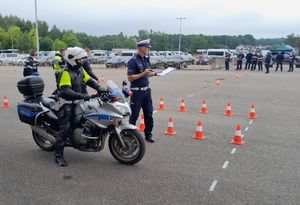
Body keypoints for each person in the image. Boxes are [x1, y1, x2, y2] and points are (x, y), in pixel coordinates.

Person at [54, 47, 107, 166]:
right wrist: (81, 95)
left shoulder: (79, 69)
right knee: (65, 129)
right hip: (66, 104)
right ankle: (58, 156)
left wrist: (100, 88)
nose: (81, 61)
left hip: (77, 101)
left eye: (82, 59)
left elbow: (89, 80)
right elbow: (65, 91)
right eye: (79, 60)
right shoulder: (66, 72)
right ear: (72, 59)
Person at [127, 39, 158, 143]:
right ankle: (129, 136)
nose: (149, 49)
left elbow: (147, 73)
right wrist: (143, 74)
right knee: (134, 116)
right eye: (147, 47)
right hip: (137, 93)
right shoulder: (133, 61)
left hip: (146, 91)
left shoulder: (146, 59)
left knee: (149, 114)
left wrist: (157, 73)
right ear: (141, 48)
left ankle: (148, 134)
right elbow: (130, 77)